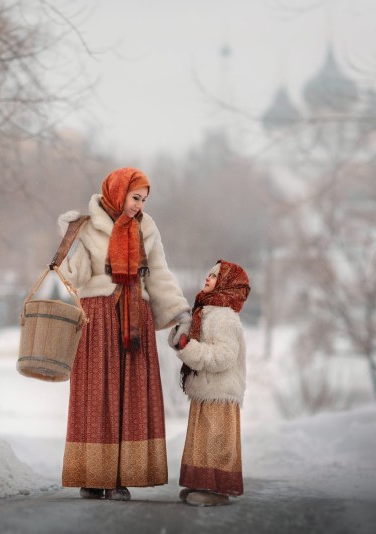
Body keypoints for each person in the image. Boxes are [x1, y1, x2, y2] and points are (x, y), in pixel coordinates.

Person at [56, 167, 191, 501]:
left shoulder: (147, 226)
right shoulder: (86, 225)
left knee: (128, 397)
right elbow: (76, 277)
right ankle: (92, 475)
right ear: (117, 192)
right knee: (97, 395)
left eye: (143, 199)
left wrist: (180, 312)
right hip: (97, 319)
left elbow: (158, 273)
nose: (138, 205)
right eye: (135, 197)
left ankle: (119, 478)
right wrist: (69, 238)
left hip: (134, 319)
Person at [169, 259, 250, 506]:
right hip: (206, 388)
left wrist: (190, 350)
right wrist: (180, 338)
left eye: (215, 276)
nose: (208, 278)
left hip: (220, 390)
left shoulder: (224, 319)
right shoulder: (205, 312)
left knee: (216, 440)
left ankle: (216, 490)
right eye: (209, 274)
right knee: (202, 439)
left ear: (226, 286)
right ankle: (201, 483)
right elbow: (193, 343)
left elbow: (224, 356)